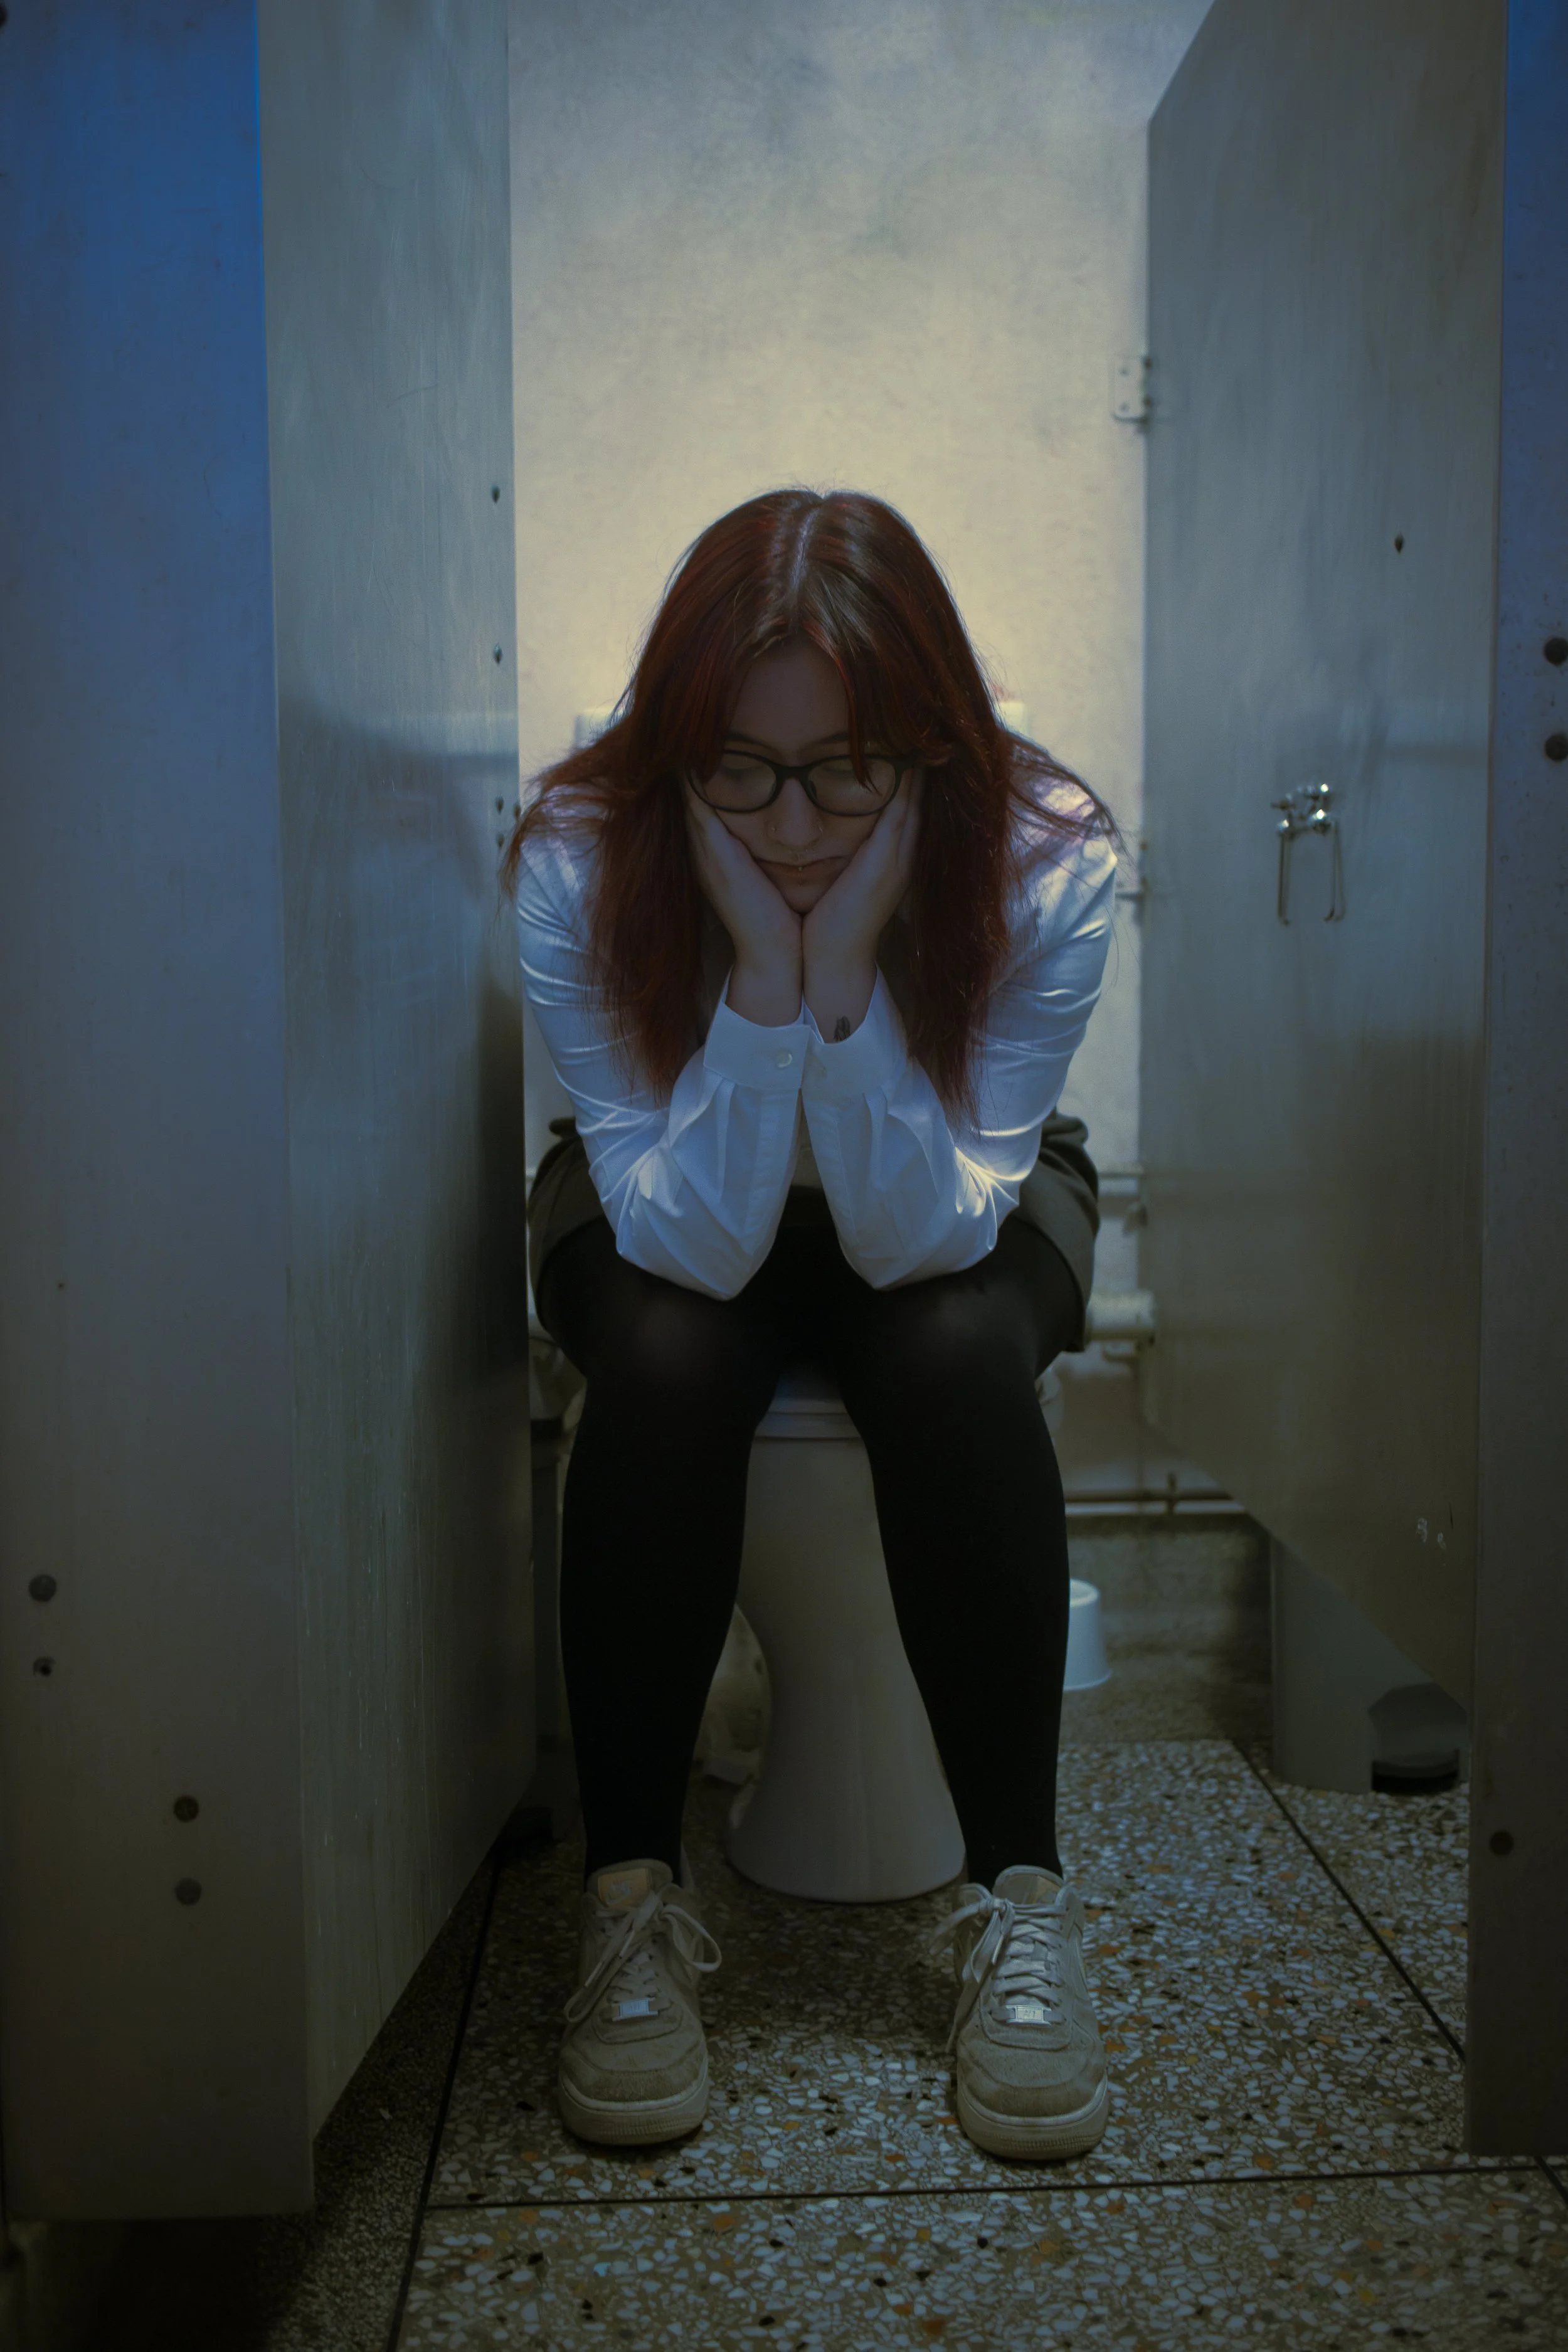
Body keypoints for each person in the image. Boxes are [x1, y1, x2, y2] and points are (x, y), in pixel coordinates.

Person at [507, 489, 1119, 2162]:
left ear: (930, 743)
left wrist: (842, 966)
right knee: (663, 1349)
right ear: (676, 750)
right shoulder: (578, 851)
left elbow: (928, 1235)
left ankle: (1020, 1899)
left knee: (945, 1344)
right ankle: (627, 1900)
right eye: (741, 770)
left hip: (955, 1194)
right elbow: (685, 1247)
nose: (790, 820)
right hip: (667, 1194)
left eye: (845, 767)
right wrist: (764, 993)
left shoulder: (1048, 852)